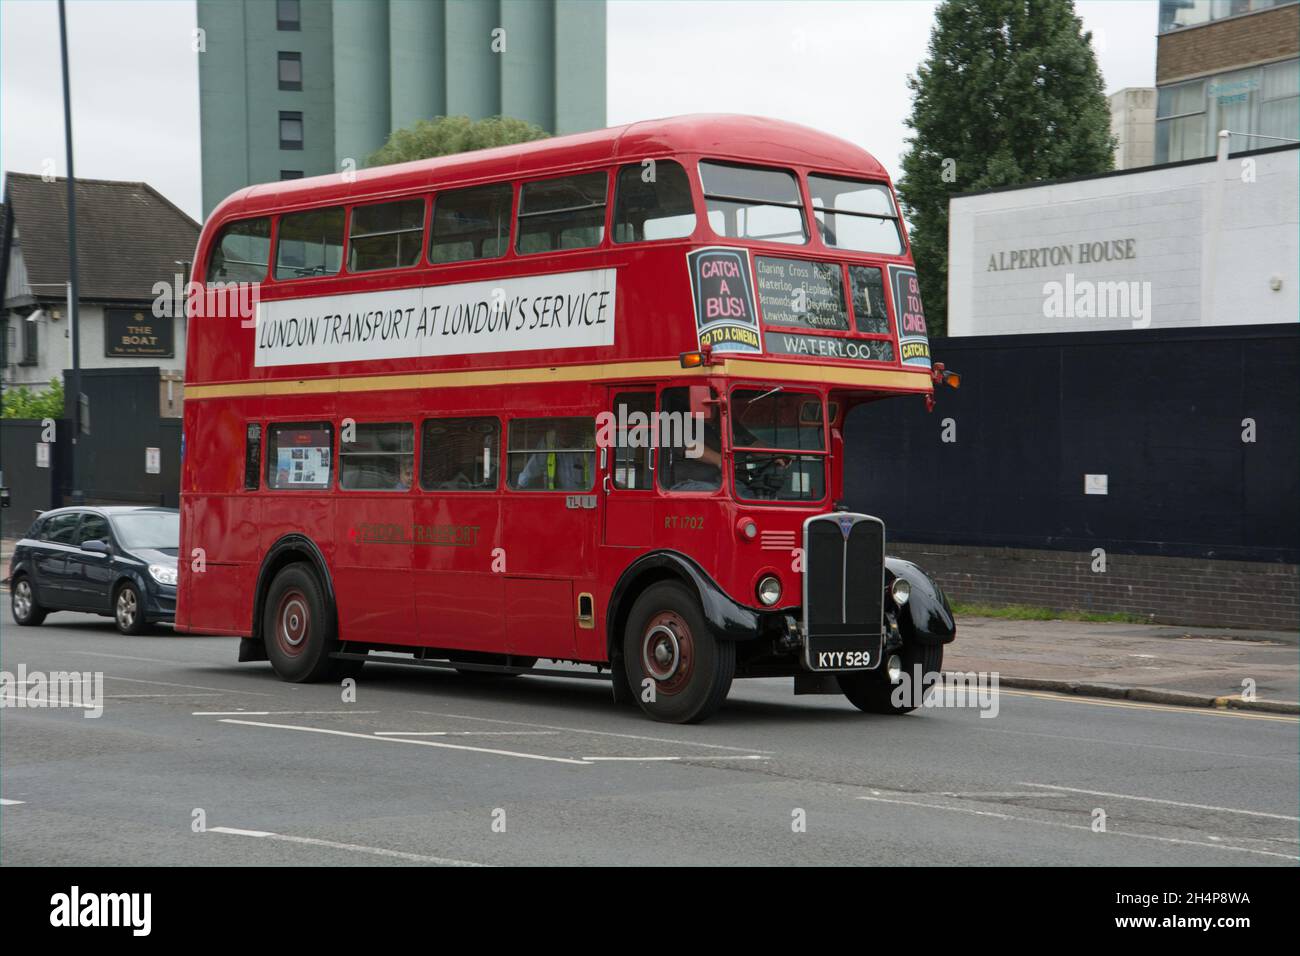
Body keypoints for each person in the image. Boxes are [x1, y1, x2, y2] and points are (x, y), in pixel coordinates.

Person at [516, 428, 592, 490]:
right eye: (562, 430)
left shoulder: (586, 442)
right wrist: (519, 487)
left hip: (580, 499)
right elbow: (534, 465)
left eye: (568, 430)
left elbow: (595, 473)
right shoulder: (550, 440)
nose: (565, 435)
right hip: (556, 497)